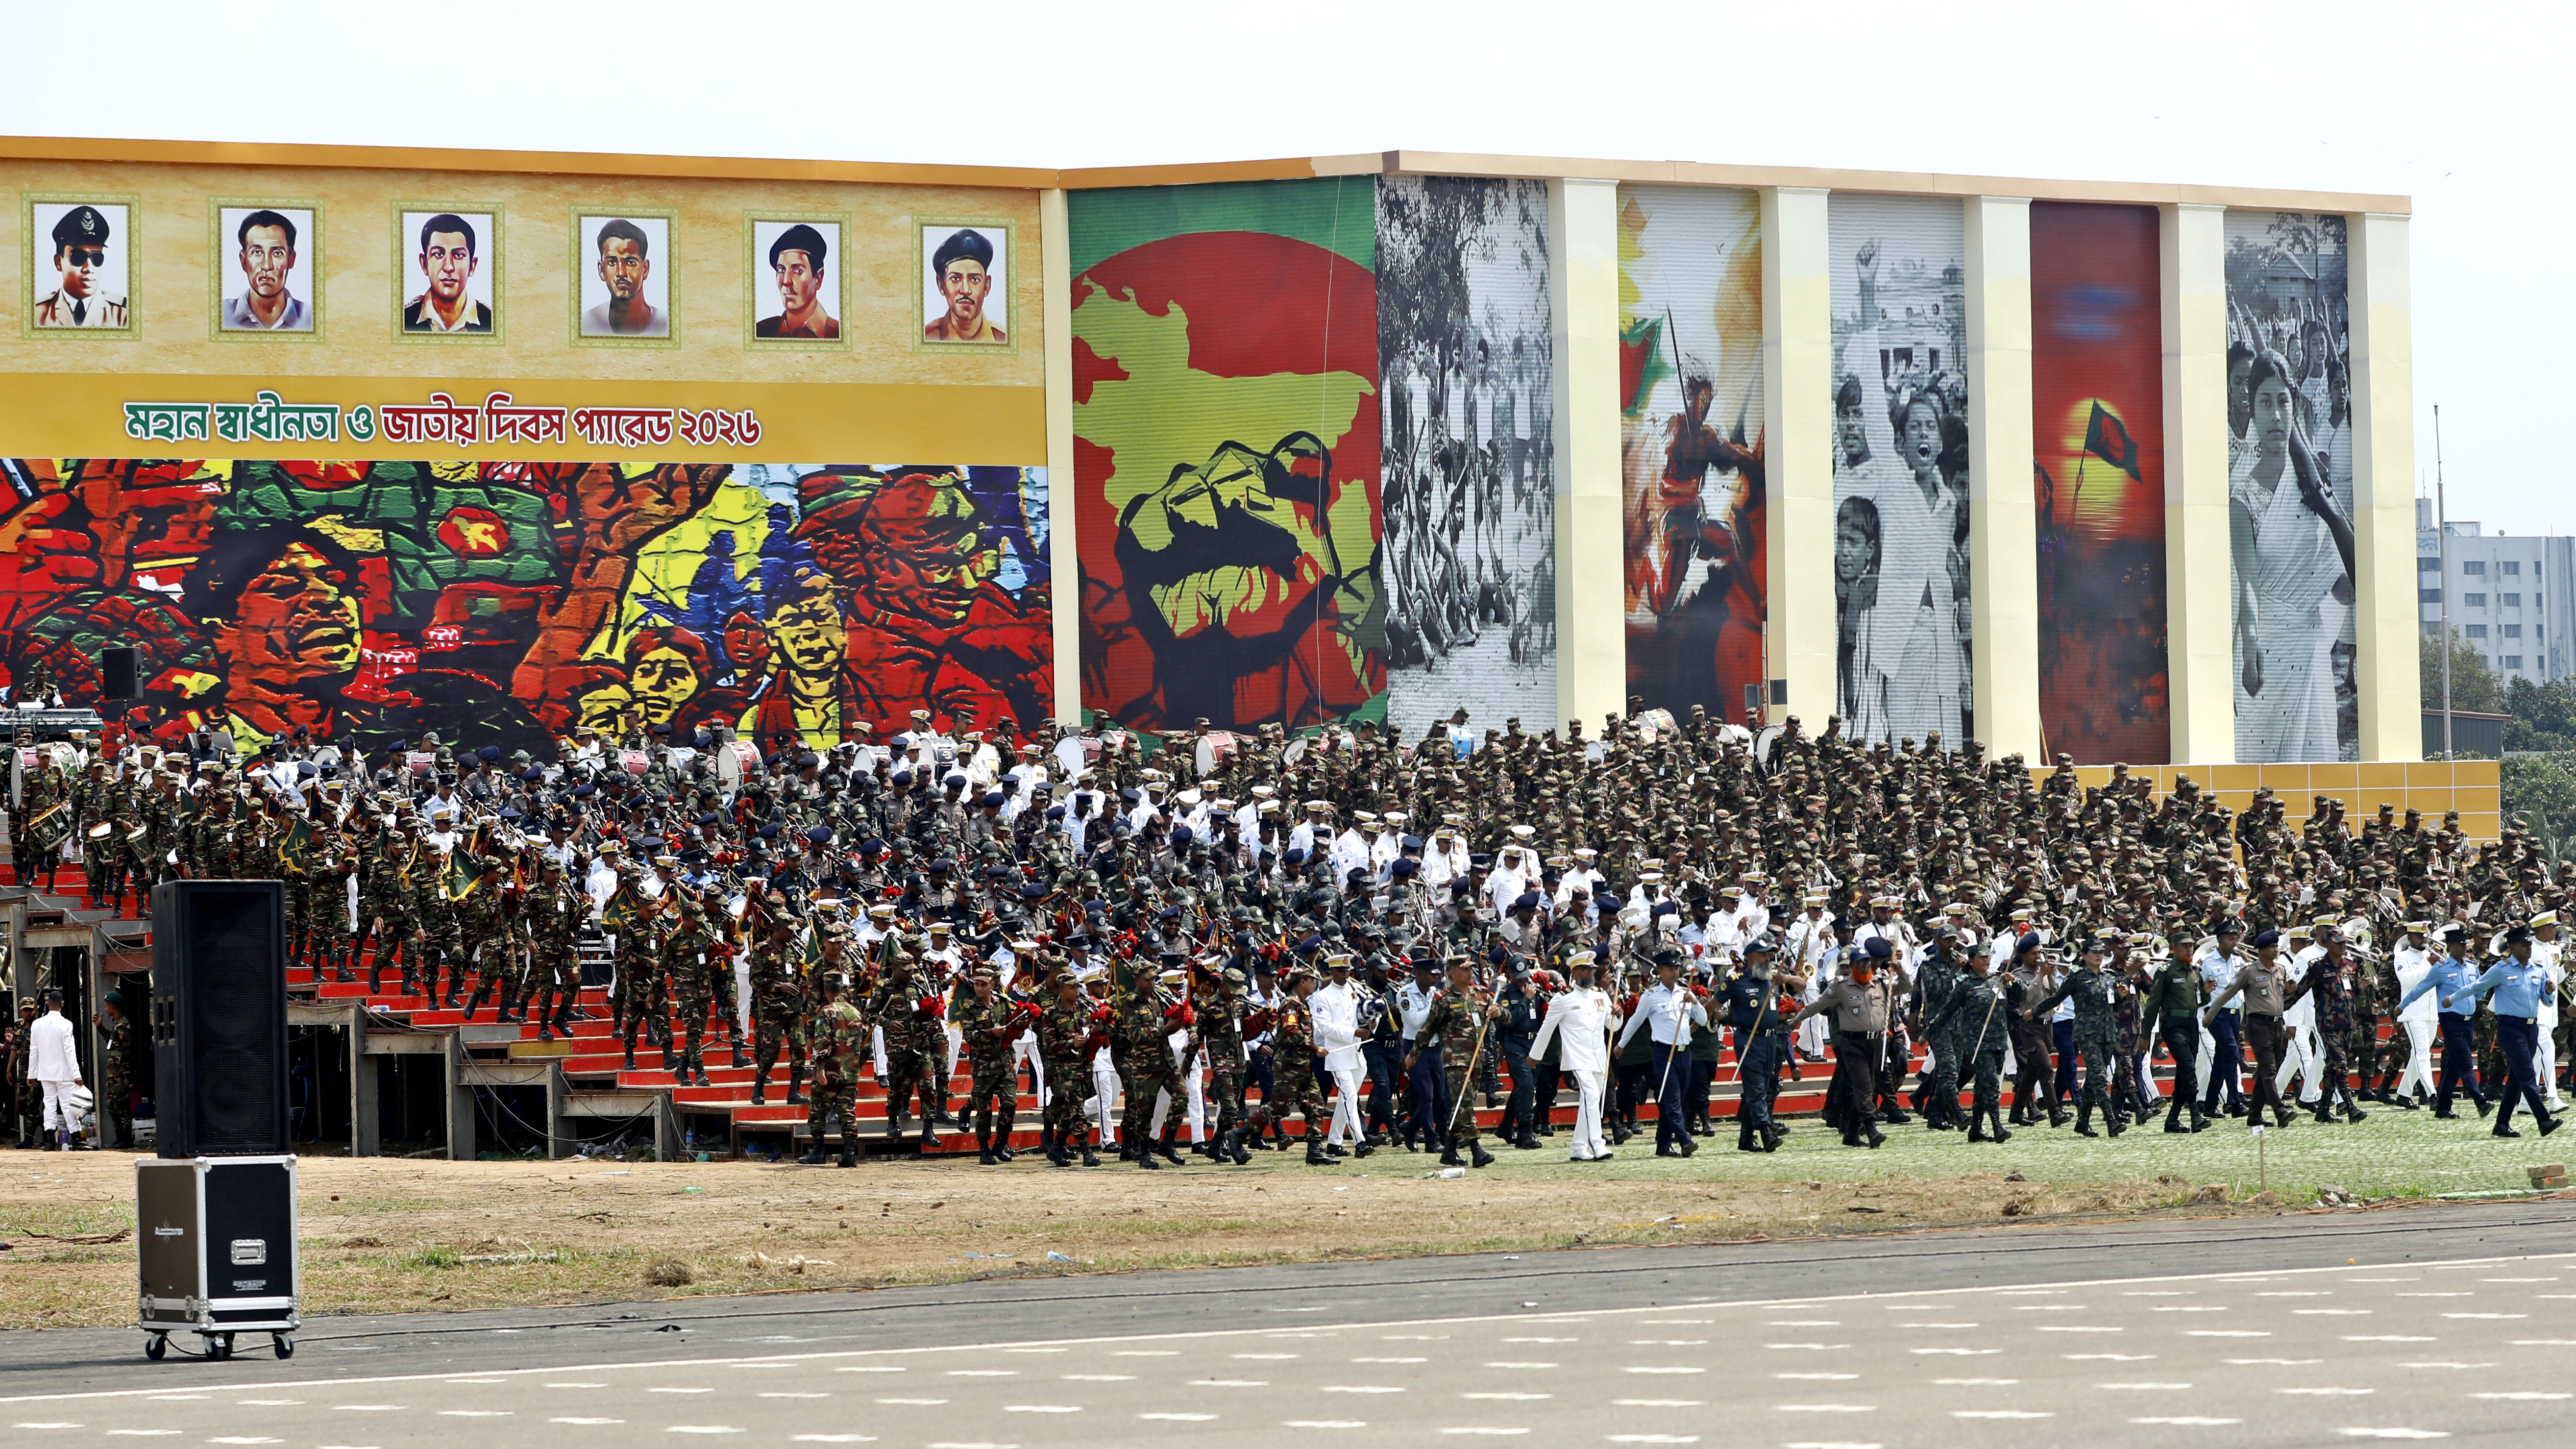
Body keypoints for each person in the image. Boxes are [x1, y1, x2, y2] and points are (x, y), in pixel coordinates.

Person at [2452, 926, 2562, 1139]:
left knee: (2517, 1078)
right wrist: (2451, 999)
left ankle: (2501, 1124)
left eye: (2530, 944)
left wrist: (2549, 993)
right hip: (2510, 1027)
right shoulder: (2501, 970)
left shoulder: (2538, 970)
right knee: (2527, 1072)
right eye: (2524, 944)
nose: (2529, 947)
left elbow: (2547, 1002)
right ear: (2512, 947)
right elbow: (2476, 987)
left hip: (2530, 1027)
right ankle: (2543, 1119)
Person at [1527, 950, 1614, 1161]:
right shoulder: (1563, 998)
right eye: (1585, 970)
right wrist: (1535, 1056)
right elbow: (1547, 1028)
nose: (1589, 974)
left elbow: (1613, 1026)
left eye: (1591, 970)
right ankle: (1598, 1144)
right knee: (1592, 1096)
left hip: (1599, 1057)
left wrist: (1616, 1014)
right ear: (1574, 972)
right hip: (1578, 1057)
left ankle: (1577, 1147)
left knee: (1590, 1100)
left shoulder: (1600, 996)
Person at [33, 204, 127, 329]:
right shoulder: (37, 314)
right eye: (78, 257)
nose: (89, 268)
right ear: (58, 262)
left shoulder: (123, 315)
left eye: (97, 258)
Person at [221, 209, 311, 331]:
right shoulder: (220, 314)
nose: (267, 266)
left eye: (277, 253)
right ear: (244, 261)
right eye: (257, 252)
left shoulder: (311, 318)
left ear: (291, 260)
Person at [402, 213, 493, 333]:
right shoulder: (404, 319)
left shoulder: (491, 321)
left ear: (472, 266)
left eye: (459, 255)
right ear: (424, 264)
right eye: (438, 254)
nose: (449, 267)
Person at [581, 219, 666, 337]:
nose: (621, 273)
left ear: (645, 269)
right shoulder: (585, 325)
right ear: (601, 270)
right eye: (612, 263)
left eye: (631, 262)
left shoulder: (666, 326)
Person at [757, 223, 839, 339]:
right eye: (781, 270)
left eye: (798, 271)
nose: (786, 281)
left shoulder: (837, 334)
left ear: (818, 279)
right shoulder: (761, 331)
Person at [923, 228, 1004, 343]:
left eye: (975, 280)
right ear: (941, 285)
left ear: (987, 286)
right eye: (956, 279)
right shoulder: (927, 338)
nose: (966, 290)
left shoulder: (1003, 339)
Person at [26, 989, 82, 1151]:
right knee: (67, 1104)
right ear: (62, 1004)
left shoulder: (37, 1024)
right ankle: (76, 1139)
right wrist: (77, 1075)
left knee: (49, 1104)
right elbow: (70, 1052)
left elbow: (34, 1051)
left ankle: (50, 1141)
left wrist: (32, 1074)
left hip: (45, 1072)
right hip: (63, 1072)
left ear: (47, 1004)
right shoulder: (66, 1024)